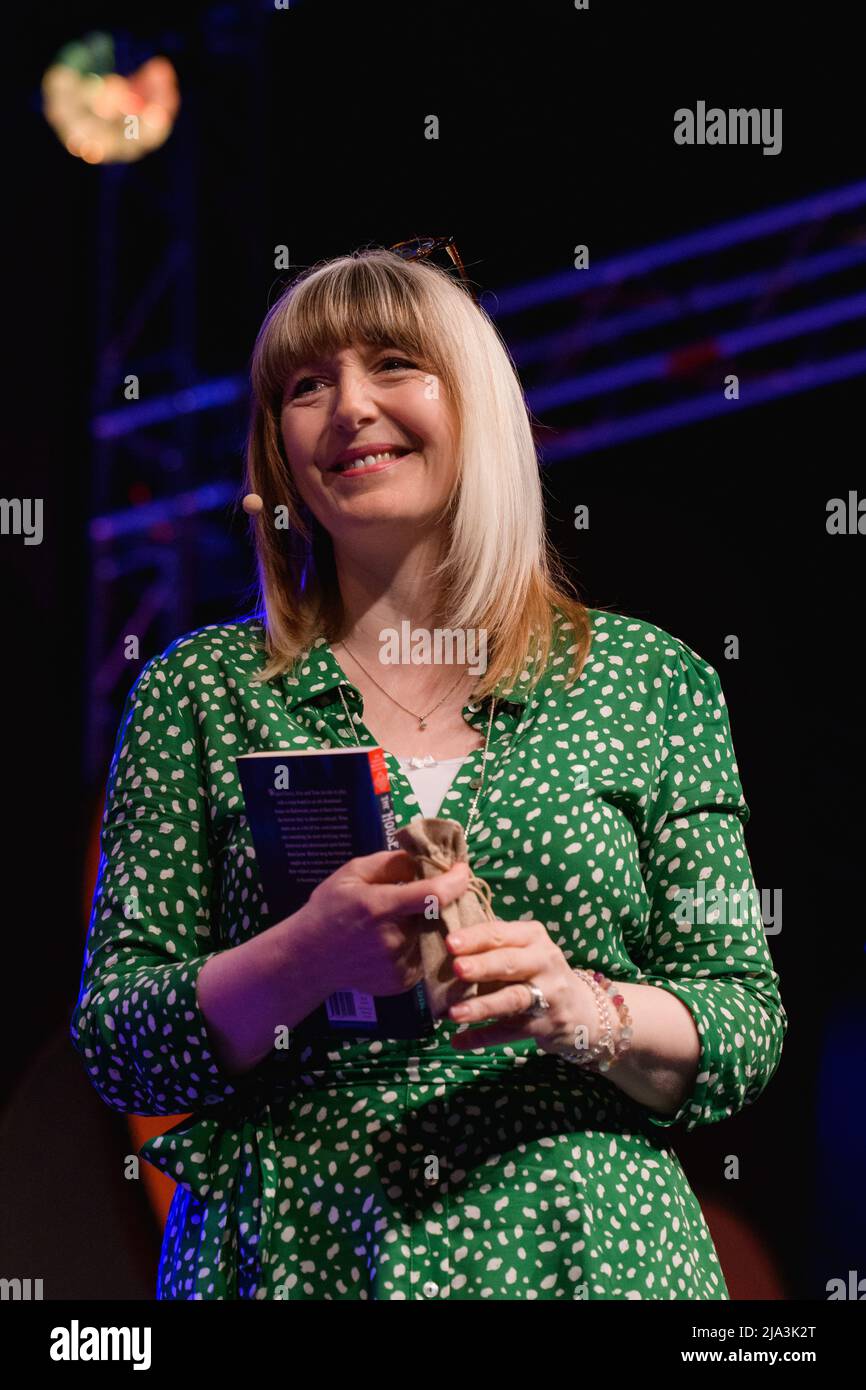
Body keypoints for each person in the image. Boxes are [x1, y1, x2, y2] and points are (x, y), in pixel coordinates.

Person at [71, 245, 787, 1300]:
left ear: (479, 408)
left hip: (579, 1251)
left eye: (393, 364)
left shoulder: (644, 678)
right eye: (304, 386)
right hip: (300, 1253)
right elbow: (122, 1041)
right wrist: (306, 955)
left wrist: (576, 1006)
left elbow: (737, 1021)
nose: (346, 407)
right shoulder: (199, 690)